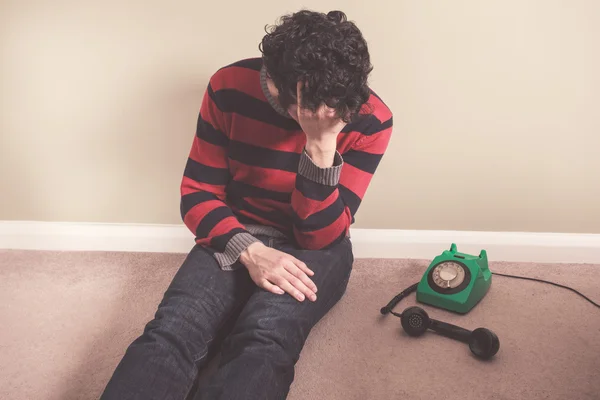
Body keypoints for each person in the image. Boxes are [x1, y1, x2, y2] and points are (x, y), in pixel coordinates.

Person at [100, 9, 393, 400]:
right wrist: (250, 252)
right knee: (172, 330)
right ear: (274, 84)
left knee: (264, 339)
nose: (330, 115)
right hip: (238, 228)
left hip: (317, 243)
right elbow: (198, 193)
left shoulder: (370, 117)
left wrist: (321, 145)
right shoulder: (229, 86)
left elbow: (318, 235)